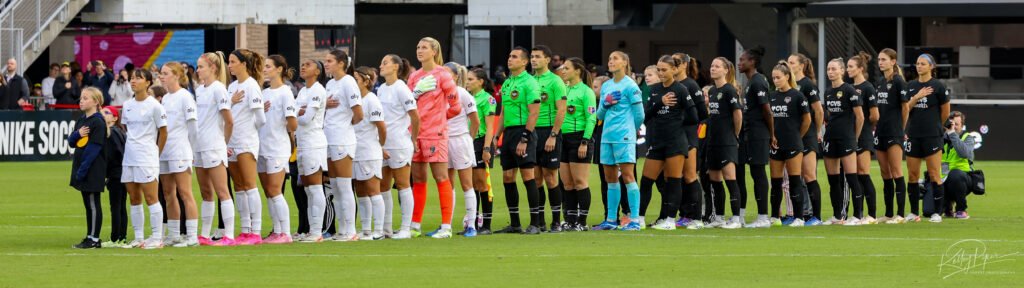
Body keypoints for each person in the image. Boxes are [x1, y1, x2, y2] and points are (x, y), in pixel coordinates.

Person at [407, 37, 460, 238]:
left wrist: (439, 119)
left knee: (441, 176)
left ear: (434, 51)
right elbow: (409, 103)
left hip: (435, 134)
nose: (420, 51)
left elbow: (455, 106)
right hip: (416, 134)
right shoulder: (414, 76)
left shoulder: (443, 75)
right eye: (418, 47)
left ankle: (446, 227)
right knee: (418, 178)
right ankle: (415, 225)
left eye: (424, 48)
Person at [591, 51, 645, 231]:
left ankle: (635, 220)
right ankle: (611, 219)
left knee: (628, 176)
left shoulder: (630, 86)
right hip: (607, 136)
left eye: (615, 59)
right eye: (609, 59)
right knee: (610, 178)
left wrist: (630, 130)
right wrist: (605, 104)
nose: (610, 61)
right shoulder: (606, 86)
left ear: (625, 63)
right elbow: (599, 115)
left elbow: (640, 115)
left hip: (624, 136)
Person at [645, 55, 697, 231]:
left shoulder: (681, 89)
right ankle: (638, 219)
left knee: (674, 181)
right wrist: (661, 103)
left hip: (675, 142)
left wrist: (677, 122)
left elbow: (694, 116)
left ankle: (669, 220)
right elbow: (646, 116)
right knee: (646, 180)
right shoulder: (653, 90)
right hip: (657, 142)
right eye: (658, 69)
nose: (660, 73)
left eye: (664, 69)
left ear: (673, 70)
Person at [493, 46, 541, 234]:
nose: (510, 59)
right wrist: (497, 136)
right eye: (509, 56)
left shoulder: (529, 83)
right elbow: (503, 113)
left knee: (528, 176)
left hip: (524, 132)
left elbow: (534, 112)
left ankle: (535, 223)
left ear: (524, 61)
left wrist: (525, 138)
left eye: (514, 57)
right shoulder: (507, 83)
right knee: (507, 176)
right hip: (509, 134)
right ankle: (515, 224)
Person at [192, 52, 237, 246]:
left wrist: (223, 143)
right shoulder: (200, 89)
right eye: (198, 66)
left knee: (222, 190)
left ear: (213, 68)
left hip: (214, 146)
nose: (198, 70)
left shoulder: (219, 89)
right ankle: (204, 234)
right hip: (200, 146)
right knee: (205, 192)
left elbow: (229, 121)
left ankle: (229, 235)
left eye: (201, 66)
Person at [122, 70, 168, 249]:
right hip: (129, 157)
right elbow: (127, 128)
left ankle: (157, 238)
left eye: (138, 78)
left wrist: (156, 152)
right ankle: (139, 237)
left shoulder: (155, 106)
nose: (133, 81)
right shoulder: (127, 105)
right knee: (134, 198)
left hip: (147, 157)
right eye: (132, 78)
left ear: (148, 82)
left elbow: (163, 131)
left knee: (151, 197)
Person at [227, 48, 268, 244]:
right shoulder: (232, 86)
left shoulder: (251, 86)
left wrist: (248, 132)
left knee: (250, 185)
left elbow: (260, 118)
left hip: (245, 140)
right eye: (229, 61)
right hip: (231, 141)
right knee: (239, 186)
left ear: (243, 64)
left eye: (233, 61)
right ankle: (245, 229)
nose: (230, 65)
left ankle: (256, 231)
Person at [377, 54, 420, 239]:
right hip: (384, 144)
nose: (381, 66)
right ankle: (386, 228)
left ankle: (405, 228)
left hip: (399, 144)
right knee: (383, 186)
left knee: (402, 184)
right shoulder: (380, 89)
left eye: (385, 62)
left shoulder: (401, 88)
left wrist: (414, 139)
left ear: (396, 66)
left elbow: (415, 116)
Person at [157, 62, 200, 247]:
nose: (161, 76)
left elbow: (193, 129)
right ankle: (174, 234)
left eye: (165, 73)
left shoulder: (185, 97)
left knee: (185, 192)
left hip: (180, 151)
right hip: (165, 151)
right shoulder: (165, 98)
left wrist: (190, 150)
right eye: (161, 73)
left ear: (176, 75)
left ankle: (192, 236)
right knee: (168, 193)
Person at [323, 49, 363, 241]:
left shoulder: (348, 82)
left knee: (345, 186)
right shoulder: (330, 83)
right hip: (328, 139)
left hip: (343, 140)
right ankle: (341, 229)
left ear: (341, 63)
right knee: (335, 187)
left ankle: (351, 230)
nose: (326, 64)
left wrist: (346, 127)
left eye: (330, 61)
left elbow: (358, 113)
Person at [905, 53, 951, 223]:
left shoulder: (938, 86)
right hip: (914, 135)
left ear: (931, 66)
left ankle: (937, 213)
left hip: (932, 135)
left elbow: (945, 110)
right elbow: (906, 109)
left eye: (923, 63)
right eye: (917, 63)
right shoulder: (911, 86)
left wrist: (936, 125)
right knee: (912, 175)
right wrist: (916, 97)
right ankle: (914, 212)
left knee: (934, 174)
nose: (919, 66)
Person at [701, 57, 744, 229]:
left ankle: (735, 219)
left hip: (727, 142)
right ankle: (719, 217)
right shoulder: (711, 91)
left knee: (730, 179)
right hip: (713, 141)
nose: (713, 69)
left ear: (726, 70)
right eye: (712, 66)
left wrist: (734, 135)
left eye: (717, 66)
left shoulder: (729, 90)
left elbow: (738, 115)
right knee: (715, 180)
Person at [258, 55, 297, 243]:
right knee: (268, 191)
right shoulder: (264, 93)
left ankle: (286, 232)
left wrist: (286, 130)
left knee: (275, 190)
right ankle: (277, 231)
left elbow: (292, 122)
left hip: (277, 147)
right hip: (262, 147)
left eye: (268, 66)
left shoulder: (285, 92)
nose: (265, 69)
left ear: (279, 69)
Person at [767, 61, 811, 227]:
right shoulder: (772, 96)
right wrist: (772, 136)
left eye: (778, 77)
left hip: (793, 144)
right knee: (776, 182)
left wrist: (797, 136)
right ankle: (774, 217)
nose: (776, 80)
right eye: (773, 78)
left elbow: (807, 119)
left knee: (794, 181)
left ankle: (799, 217)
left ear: (787, 76)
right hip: (776, 145)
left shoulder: (797, 95)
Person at [529, 45, 568, 232]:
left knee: (551, 178)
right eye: (531, 56)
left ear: (547, 60)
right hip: (532, 132)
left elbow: (561, 110)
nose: (533, 60)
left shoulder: (555, 81)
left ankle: (556, 221)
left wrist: (553, 134)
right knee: (536, 179)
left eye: (537, 56)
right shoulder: (528, 80)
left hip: (548, 132)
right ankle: (539, 221)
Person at [821, 58, 865, 225]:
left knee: (852, 178)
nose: (830, 72)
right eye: (828, 69)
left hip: (847, 139)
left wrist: (854, 138)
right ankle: (837, 216)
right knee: (833, 180)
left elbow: (860, 117)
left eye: (833, 69)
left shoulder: (849, 90)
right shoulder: (827, 92)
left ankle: (858, 215)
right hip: (830, 138)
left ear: (841, 71)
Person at [668, 52, 707, 229]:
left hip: (688, 135)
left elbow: (701, 114)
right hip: (674, 136)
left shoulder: (691, 85)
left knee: (690, 175)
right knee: (676, 177)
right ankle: (683, 214)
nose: (672, 66)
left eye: (675, 62)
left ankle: (696, 217)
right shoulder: (671, 85)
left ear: (684, 65)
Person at [735, 47, 773, 227]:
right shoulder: (750, 82)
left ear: (752, 62)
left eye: (743, 60)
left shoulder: (758, 81)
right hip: (749, 133)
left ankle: (763, 217)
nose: (739, 63)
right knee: (749, 172)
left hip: (759, 134)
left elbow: (767, 112)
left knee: (758, 173)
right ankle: (746, 216)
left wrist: (772, 135)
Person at [556, 58, 595, 231]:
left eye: (566, 68)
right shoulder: (563, 90)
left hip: (579, 139)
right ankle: (570, 220)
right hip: (562, 139)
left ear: (577, 71)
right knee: (567, 184)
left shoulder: (586, 92)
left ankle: (582, 222)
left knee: (580, 182)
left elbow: (591, 118)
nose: (563, 71)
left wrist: (585, 141)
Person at [67, 87, 109, 248]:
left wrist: (83, 170)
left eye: (85, 98)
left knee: (93, 203)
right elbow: (72, 141)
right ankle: (90, 235)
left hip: (92, 168)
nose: (81, 101)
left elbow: (94, 149)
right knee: (88, 204)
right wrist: (77, 134)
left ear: (95, 102)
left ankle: (94, 238)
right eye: (81, 98)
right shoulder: (82, 120)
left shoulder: (97, 121)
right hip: (81, 167)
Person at [441, 62, 480, 237]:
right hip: (443, 141)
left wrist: (468, 140)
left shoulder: (462, 94)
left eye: (448, 73)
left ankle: (471, 225)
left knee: (466, 184)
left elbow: (476, 121)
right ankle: (446, 225)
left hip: (460, 140)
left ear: (456, 77)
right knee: (447, 184)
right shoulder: (438, 94)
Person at [349, 66, 387, 240]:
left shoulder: (372, 100)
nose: (353, 83)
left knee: (373, 190)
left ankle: (378, 230)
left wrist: (380, 146)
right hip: (355, 150)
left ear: (366, 81)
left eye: (356, 79)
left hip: (369, 151)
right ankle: (366, 229)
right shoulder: (353, 100)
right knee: (361, 191)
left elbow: (381, 127)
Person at [295, 59, 330, 243]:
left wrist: (296, 112)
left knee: (316, 187)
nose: (303, 66)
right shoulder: (302, 90)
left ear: (317, 71)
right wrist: (297, 111)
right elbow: (295, 113)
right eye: (303, 64)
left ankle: (317, 232)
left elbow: (307, 118)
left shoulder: (318, 90)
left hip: (314, 143)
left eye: (308, 64)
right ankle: (311, 230)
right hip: (302, 143)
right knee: (308, 189)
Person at [787, 53, 824, 225]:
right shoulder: (790, 85)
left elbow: (818, 111)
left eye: (792, 62)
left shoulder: (808, 85)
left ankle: (816, 216)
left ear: (801, 66)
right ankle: (800, 214)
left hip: (807, 135)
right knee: (797, 177)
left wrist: (817, 131)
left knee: (809, 175)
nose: (788, 64)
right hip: (794, 136)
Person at [875, 48, 909, 224]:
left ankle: (900, 214)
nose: (881, 62)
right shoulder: (880, 82)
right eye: (879, 59)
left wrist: (900, 129)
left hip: (894, 132)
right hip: (880, 132)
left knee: (896, 171)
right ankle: (888, 213)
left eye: (884, 59)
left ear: (893, 61)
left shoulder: (899, 82)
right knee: (884, 173)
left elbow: (905, 108)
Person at [847, 51, 880, 225]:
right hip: (850, 135)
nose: (848, 70)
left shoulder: (867, 88)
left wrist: (866, 127)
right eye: (847, 67)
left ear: (860, 69)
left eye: (851, 67)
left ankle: (872, 215)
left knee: (863, 174)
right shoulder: (848, 87)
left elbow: (875, 115)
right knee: (854, 176)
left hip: (864, 135)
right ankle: (857, 214)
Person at [467, 68, 497, 234]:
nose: (468, 82)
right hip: (468, 142)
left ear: (481, 82)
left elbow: (490, 127)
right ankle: (473, 223)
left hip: (480, 142)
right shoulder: (467, 97)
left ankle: (486, 225)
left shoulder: (488, 99)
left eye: (471, 79)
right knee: (471, 184)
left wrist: (487, 148)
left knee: (482, 183)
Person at [100, 106, 129, 247]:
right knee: (121, 206)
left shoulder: (112, 133)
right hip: (124, 172)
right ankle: (122, 237)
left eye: (107, 113)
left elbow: (115, 154)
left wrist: (108, 173)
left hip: (116, 173)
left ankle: (115, 238)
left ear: (115, 117)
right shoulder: (120, 131)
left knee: (116, 206)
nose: (103, 115)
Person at [941, 111, 976, 220]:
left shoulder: (967, 137)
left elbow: (964, 153)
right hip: (945, 178)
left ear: (962, 126)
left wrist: (952, 134)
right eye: (952, 124)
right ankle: (947, 208)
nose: (954, 127)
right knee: (929, 211)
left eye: (957, 124)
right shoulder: (942, 139)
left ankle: (961, 210)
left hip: (964, 179)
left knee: (955, 174)